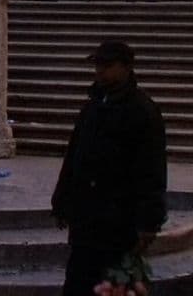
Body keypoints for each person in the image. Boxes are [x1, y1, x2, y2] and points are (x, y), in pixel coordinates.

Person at [52, 41, 167, 296]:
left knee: (115, 286)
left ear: (126, 68)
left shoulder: (142, 110)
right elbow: (75, 157)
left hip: (119, 220)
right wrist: (62, 200)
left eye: (107, 65)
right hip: (87, 218)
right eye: (97, 65)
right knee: (79, 284)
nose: (100, 71)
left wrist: (149, 221)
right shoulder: (92, 106)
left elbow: (152, 170)